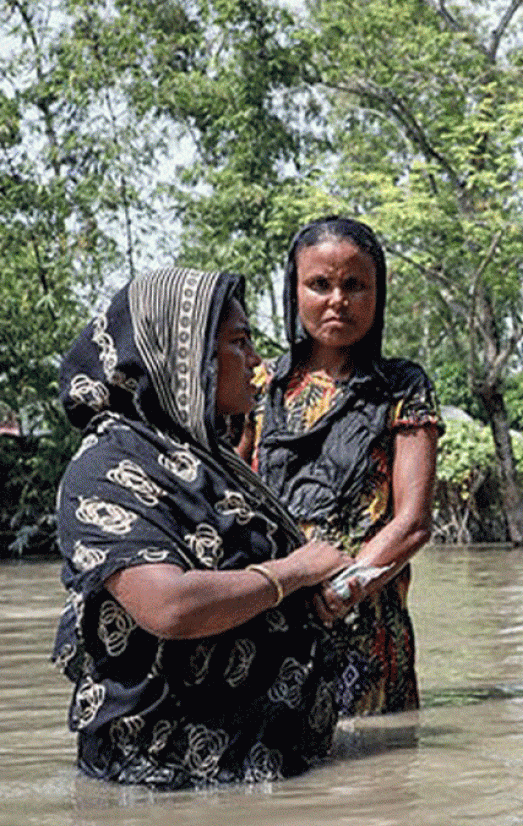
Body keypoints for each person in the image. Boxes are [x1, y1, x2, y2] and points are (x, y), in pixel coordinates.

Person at [53, 266, 354, 789]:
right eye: (239, 343)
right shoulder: (104, 467)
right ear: (181, 356)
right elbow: (169, 606)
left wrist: (314, 594)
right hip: (169, 783)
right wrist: (293, 571)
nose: (258, 363)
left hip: (258, 767)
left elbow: (241, 578)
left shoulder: (205, 459)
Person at [240, 216, 441, 716]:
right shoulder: (259, 383)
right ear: (295, 291)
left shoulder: (403, 387)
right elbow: (233, 496)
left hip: (366, 616)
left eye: (355, 286)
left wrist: (344, 586)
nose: (338, 300)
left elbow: (413, 523)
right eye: (320, 285)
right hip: (274, 611)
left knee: (376, 776)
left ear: (378, 294)